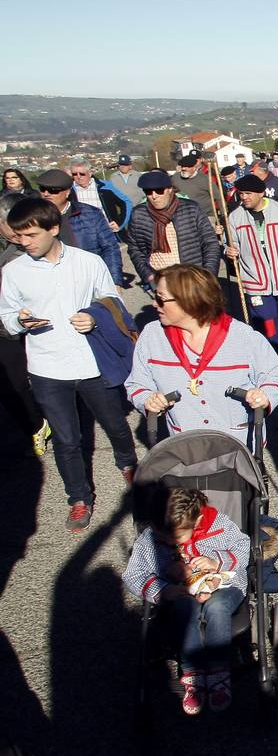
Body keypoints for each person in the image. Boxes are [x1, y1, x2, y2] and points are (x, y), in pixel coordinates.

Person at [0, 197, 138, 532]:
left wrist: (94, 318)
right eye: (19, 236)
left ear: (53, 228)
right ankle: (78, 497)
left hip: (91, 362)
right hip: (47, 367)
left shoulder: (87, 262)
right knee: (67, 438)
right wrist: (20, 322)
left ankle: (129, 465)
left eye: (31, 235)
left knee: (116, 425)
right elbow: (5, 316)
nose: (24, 242)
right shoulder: (14, 271)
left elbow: (112, 300)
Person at [122, 486, 250, 714]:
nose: (168, 541)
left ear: (198, 520)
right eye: (162, 536)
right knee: (185, 607)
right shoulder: (152, 537)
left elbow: (243, 547)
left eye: (176, 536)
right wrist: (164, 589)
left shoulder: (218, 525)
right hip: (179, 592)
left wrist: (216, 563)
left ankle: (219, 670)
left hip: (225, 584)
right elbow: (134, 574)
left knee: (217, 606)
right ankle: (193, 672)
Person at [125, 263, 278, 441]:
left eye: (161, 298)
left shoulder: (243, 336)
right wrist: (147, 399)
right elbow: (136, 383)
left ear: (189, 301)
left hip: (239, 445)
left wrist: (265, 395)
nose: (154, 303)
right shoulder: (152, 336)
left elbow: (273, 376)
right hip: (185, 446)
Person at [223, 174, 278, 365]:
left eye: (248, 193)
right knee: (267, 323)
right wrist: (228, 250)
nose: (243, 197)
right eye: (241, 194)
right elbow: (228, 243)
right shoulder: (235, 217)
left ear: (261, 193)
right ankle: (276, 359)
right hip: (255, 282)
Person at [0, 194, 48, 455]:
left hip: (25, 327)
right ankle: (35, 424)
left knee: (22, 383)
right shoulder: (8, 253)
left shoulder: (29, 253)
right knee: (12, 386)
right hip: (8, 328)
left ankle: (40, 423)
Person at [126, 170, 221, 290]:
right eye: (148, 192)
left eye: (159, 191)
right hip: (160, 280)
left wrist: (208, 275)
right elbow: (135, 249)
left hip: (192, 278)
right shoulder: (139, 214)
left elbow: (210, 243)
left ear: (170, 189)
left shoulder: (191, 209)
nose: (154, 196)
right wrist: (148, 275)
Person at [34, 169, 123, 285]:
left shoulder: (91, 214)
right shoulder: (34, 218)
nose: (46, 194)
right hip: (53, 283)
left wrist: (114, 282)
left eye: (53, 190)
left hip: (89, 280)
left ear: (67, 192)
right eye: (42, 189)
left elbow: (110, 248)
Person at [69, 161, 130, 235]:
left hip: (108, 232)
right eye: (74, 174)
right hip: (83, 236)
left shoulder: (105, 186)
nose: (78, 176)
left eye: (82, 174)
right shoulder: (68, 191)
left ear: (90, 173)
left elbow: (126, 202)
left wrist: (120, 223)